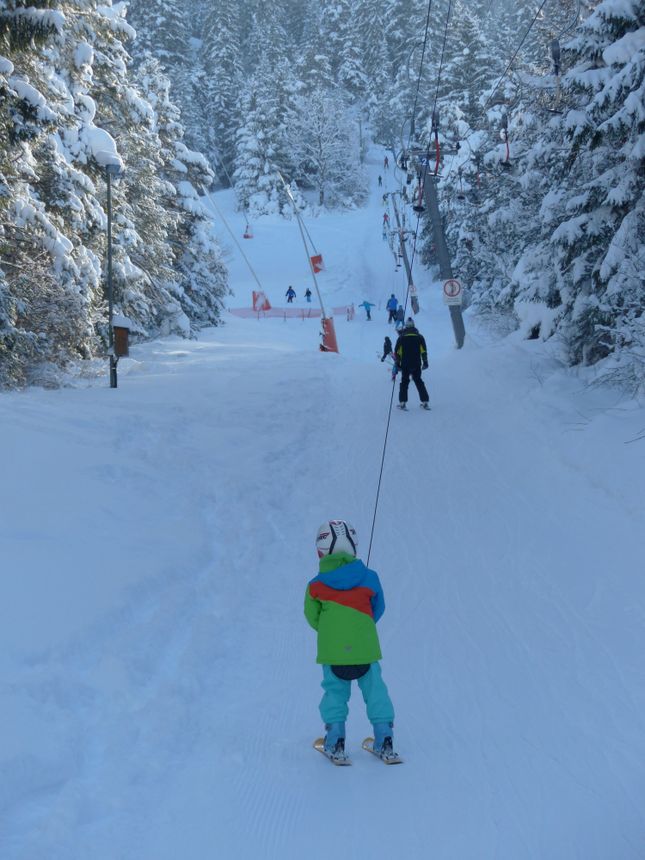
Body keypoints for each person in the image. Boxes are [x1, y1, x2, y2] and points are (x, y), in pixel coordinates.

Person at [305, 520, 397, 760]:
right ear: (355, 547)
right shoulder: (370, 578)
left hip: (333, 651)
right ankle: (384, 738)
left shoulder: (315, 586)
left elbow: (312, 618)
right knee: (375, 690)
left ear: (320, 552)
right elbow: (379, 607)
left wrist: (332, 631)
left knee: (335, 692)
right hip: (365, 648)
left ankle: (335, 741)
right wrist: (361, 628)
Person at [394, 318, 430, 410]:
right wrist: (425, 362)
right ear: (414, 325)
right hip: (416, 364)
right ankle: (425, 401)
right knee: (418, 381)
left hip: (405, 364)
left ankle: (402, 403)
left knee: (404, 382)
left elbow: (397, 352)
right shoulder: (420, 337)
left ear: (406, 326)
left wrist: (397, 364)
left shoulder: (401, 337)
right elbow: (423, 351)